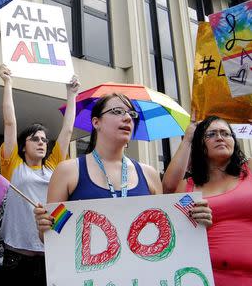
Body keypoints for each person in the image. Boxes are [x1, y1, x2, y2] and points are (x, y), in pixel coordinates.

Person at [34, 94, 212, 241]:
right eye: (117, 111)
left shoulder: (148, 174)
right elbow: (51, 236)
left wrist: (193, 219)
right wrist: (44, 226)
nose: (127, 118)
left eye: (131, 115)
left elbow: (163, 232)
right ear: (96, 122)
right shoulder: (68, 171)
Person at [0, 64, 80, 285]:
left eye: (44, 139)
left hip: (49, 252)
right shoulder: (12, 163)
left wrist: (71, 95)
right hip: (15, 255)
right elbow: (10, 122)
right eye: (35, 139)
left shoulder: (54, 166)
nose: (41, 142)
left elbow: (68, 131)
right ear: (23, 146)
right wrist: (8, 83)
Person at [162, 115, 252, 285]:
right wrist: (188, 137)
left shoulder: (250, 170)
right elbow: (168, 188)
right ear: (199, 145)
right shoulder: (189, 186)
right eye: (211, 134)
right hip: (209, 277)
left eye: (226, 133)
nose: (220, 137)